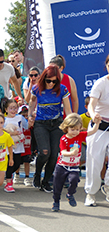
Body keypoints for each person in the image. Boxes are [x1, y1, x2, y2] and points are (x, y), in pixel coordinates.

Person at [28, 64, 72, 193]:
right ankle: (37, 174)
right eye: (48, 81)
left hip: (57, 124)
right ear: (43, 79)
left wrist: (71, 124)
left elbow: (68, 110)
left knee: (54, 155)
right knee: (45, 152)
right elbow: (31, 102)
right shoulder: (36, 88)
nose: (51, 83)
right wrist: (30, 115)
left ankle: (46, 181)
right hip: (41, 123)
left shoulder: (62, 90)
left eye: (54, 81)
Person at [52, 113, 100, 212]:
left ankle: (70, 194)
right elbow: (63, 152)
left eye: (77, 129)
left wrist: (97, 122)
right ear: (66, 128)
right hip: (62, 166)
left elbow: (93, 131)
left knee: (74, 180)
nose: (75, 132)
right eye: (72, 129)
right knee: (57, 185)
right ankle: (56, 202)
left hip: (74, 166)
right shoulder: (64, 139)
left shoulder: (80, 136)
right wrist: (71, 153)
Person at [84, 54, 109, 206]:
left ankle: (107, 187)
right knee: (95, 161)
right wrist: (93, 116)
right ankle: (91, 193)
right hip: (99, 127)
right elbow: (91, 105)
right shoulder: (100, 83)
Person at [3, 99, 28, 193]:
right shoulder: (4, 119)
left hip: (18, 144)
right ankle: (8, 183)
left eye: (15, 108)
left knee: (17, 163)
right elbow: (2, 130)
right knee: (10, 163)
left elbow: (26, 126)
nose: (13, 110)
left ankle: (7, 174)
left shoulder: (20, 118)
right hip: (8, 145)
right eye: (11, 108)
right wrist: (12, 133)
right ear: (6, 109)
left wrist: (31, 119)